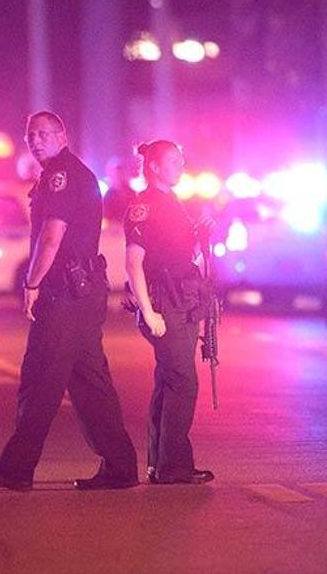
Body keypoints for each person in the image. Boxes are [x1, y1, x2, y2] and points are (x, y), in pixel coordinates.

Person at [0, 110, 138, 492]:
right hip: (81, 294)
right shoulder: (62, 174)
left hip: (64, 293)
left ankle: (17, 468)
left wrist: (32, 283)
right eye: (31, 134)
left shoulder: (62, 177)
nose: (36, 140)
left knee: (40, 378)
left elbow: (52, 236)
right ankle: (121, 466)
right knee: (89, 383)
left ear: (63, 136)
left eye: (44, 133)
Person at [124, 139, 214, 485]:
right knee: (182, 382)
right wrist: (149, 313)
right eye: (173, 161)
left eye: (181, 159)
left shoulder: (173, 203)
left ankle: (161, 463)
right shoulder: (144, 205)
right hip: (165, 303)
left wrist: (201, 231)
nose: (181, 165)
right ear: (154, 168)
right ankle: (173, 466)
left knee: (168, 382)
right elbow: (134, 263)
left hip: (182, 300)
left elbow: (182, 252)